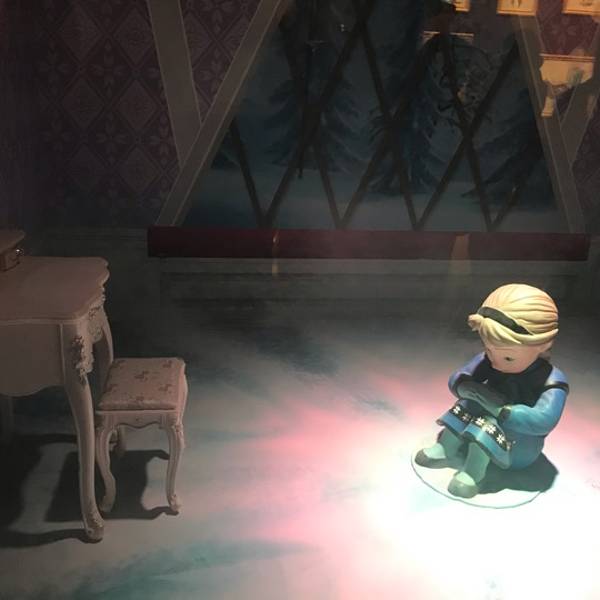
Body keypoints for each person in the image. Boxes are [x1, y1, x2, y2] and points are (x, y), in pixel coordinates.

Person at [415, 283, 569, 498]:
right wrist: (465, 387)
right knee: (466, 404)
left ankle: (473, 474)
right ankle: (446, 447)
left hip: (517, 445)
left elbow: (544, 419)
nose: (495, 361)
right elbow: (460, 377)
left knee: (487, 424)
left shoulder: (552, 380)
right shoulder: (490, 359)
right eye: (488, 349)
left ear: (543, 345)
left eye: (508, 357)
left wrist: (504, 411)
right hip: (479, 419)